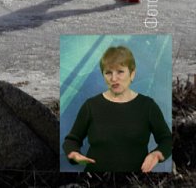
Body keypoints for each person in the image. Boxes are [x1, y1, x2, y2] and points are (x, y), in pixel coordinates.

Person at [63, 45, 172, 173]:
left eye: (120, 71)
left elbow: (167, 140)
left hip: (136, 181)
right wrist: (73, 154)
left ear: (132, 74)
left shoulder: (147, 106)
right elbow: (71, 141)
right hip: (95, 180)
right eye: (108, 72)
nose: (114, 78)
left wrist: (157, 155)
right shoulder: (90, 106)